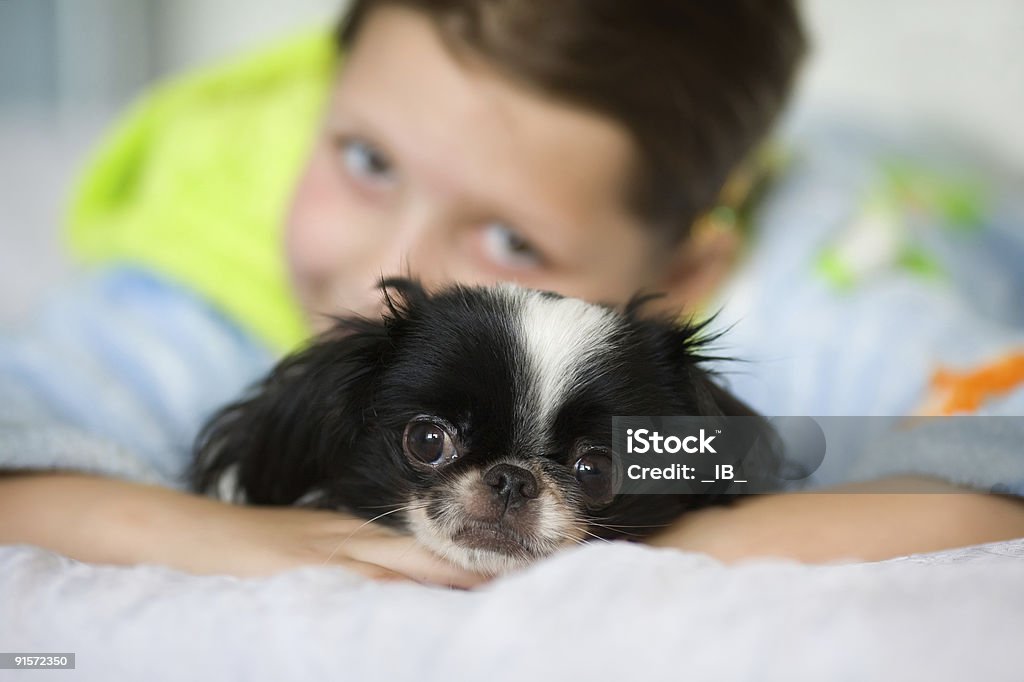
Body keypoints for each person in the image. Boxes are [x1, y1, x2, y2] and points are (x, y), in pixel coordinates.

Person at [1, 0, 1022, 587]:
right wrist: (225, 533)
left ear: (676, 277)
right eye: (365, 158)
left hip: (920, 191)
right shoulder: (208, 269)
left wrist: (694, 541)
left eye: (508, 237)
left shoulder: (820, 286)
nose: (382, 262)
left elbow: (996, 455)